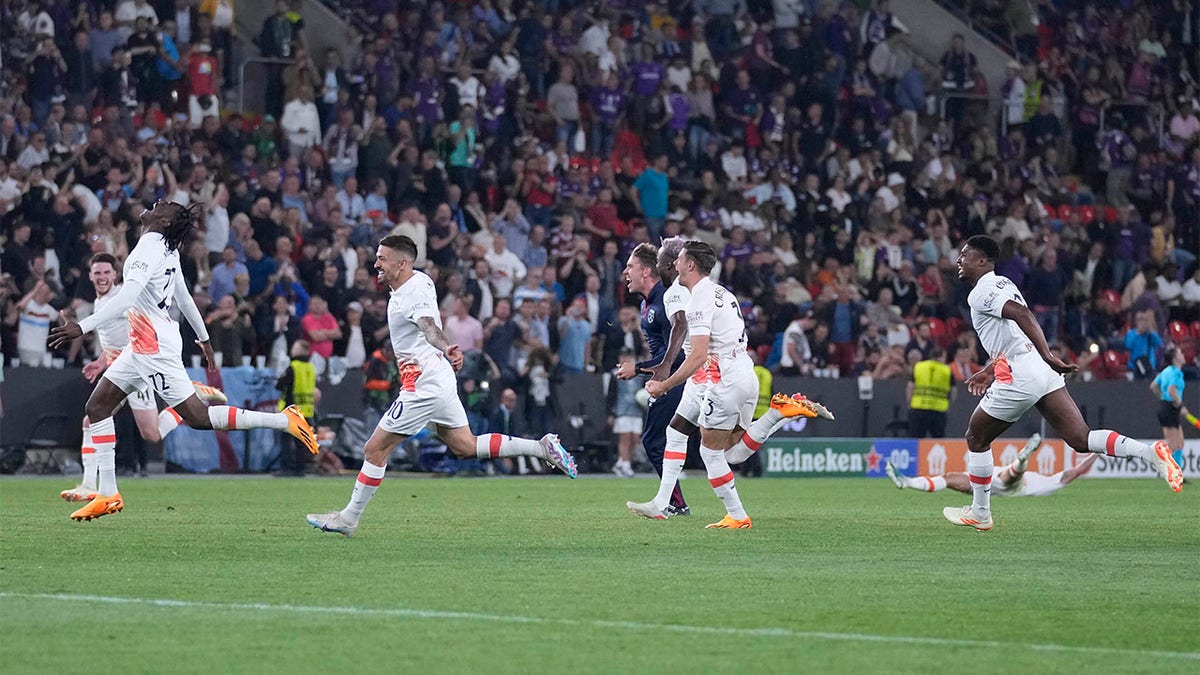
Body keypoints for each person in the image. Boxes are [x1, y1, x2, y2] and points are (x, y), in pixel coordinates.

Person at [49, 200, 319, 522]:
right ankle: (107, 493)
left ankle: (284, 420)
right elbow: (185, 297)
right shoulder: (168, 249)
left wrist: (81, 326)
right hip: (143, 343)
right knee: (97, 408)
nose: (156, 204)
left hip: (153, 348)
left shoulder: (147, 249)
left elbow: (127, 296)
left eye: (161, 206)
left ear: (163, 221)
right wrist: (203, 338)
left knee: (199, 419)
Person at [305, 235, 577, 538]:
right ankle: (541, 448)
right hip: (437, 376)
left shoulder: (411, 294)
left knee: (374, 449)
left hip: (423, 382)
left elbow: (429, 326)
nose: (376, 264)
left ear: (402, 263)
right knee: (465, 446)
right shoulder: (417, 280)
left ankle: (349, 518)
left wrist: (447, 346)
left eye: (382, 259)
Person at [945, 235, 1182, 532]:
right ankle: (1150, 453)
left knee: (975, 437)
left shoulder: (980, 292)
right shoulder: (1005, 283)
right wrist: (991, 369)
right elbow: (1014, 334)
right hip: (1038, 369)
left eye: (965, 255)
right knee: (1081, 438)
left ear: (982, 261)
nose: (959, 260)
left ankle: (980, 512)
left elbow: (1022, 315)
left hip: (1023, 372)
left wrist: (1049, 354)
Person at [631, 241, 831, 528]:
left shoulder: (695, 300)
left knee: (717, 453)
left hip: (720, 379)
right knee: (677, 430)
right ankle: (662, 503)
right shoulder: (721, 291)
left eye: (679, 260)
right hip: (737, 371)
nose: (674, 264)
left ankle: (737, 514)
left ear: (690, 265)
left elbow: (698, 354)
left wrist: (664, 382)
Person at [886, 434, 1099, 497]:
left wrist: (1095, 453)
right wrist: (1097, 452)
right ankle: (907, 482)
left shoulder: (1047, 485)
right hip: (987, 479)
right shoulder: (1049, 482)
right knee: (950, 478)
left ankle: (1023, 458)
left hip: (1011, 486)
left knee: (1010, 478)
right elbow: (1077, 471)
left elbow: (1076, 471)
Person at [275, 339, 318, 476]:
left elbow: (280, 385)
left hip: (291, 410)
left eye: (295, 347)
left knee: (286, 441)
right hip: (307, 410)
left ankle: (286, 468)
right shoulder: (311, 367)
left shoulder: (293, 366)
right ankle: (300, 469)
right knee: (301, 443)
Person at [1150, 348, 1188, 473]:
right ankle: (1160, 464)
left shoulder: (1165, 371)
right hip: (1171, 408)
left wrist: (1162, 399)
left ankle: (1177, 472)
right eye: (1180, 353)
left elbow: (1153, 386)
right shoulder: (1177, 373)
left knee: (1180, 443)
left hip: (1167, 407)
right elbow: (1172, 391)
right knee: (1173, 445)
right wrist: (1181, 405)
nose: (1183, 355)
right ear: (1175, 359)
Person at [907, 346, 951, 438]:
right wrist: (949, 403)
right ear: (942, 356)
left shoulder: (919, 366)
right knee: (938, 439)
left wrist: (909, 402)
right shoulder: (946, 370)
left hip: (918, 407)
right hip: (938, 409)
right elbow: (953, 390)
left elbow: (910, 386)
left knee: (916, 437)